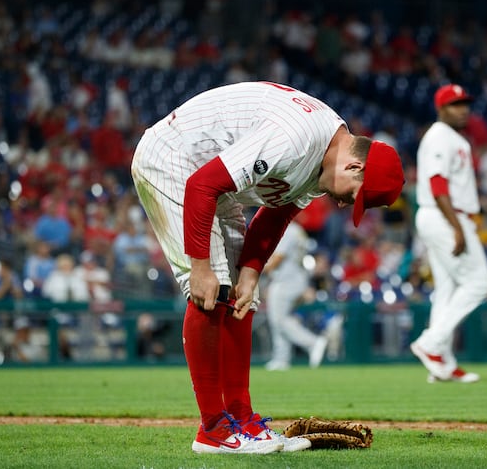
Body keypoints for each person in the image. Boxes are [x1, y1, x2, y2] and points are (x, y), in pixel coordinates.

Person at [131, 81, 404, 455]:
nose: (344, 205)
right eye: (353, 197)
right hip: (174, 160)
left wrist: (252, 270)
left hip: (211, 180)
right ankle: (212, 431)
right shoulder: (296, 139)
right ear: (354, 165)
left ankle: (241, 420)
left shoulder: (325, 161)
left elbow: (278, 212)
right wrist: (200, 266)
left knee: (243, 295)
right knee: (212, 290)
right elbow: (202, 185)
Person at [410, 84, 487, 384]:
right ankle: (431, 344)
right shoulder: (438, 136)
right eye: (455, 104)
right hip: (444, 215)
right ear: (441, 108)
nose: (463, 109)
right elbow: (437, 183)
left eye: (465, 103)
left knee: (446, 289)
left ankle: (441, 363)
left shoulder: (454, 138)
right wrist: (456, 227)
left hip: (446, 215)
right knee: (479, 283)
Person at [263, 220, 328, 371]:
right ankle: (281, 359)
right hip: (294, 278)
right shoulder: (297, 229)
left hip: (286, 280)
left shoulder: (288, 230)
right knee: (280, 318)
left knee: (279, 320)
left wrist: (255, 270)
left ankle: (312, 342)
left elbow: (278, 258)